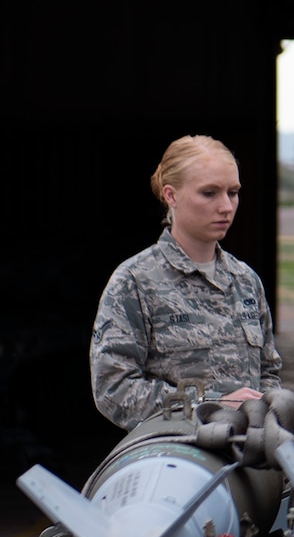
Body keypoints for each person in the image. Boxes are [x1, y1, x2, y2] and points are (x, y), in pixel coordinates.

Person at [91, 135, 282, 430]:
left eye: (233, 192)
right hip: (177, 457)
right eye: (209, 193)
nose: (226, 206)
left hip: (247, 456)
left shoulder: (245, 281)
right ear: (171, 195)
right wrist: (209, 404)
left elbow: (269, 372)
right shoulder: (135, 281)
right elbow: (113, 389)